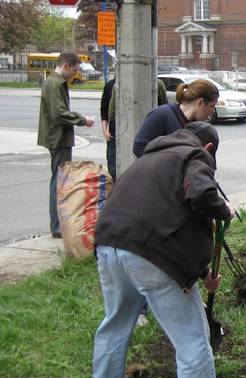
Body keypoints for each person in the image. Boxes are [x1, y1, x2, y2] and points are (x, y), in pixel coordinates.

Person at [89, 121, 236, 378]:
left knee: (115, 323)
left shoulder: (149, 158)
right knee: (192, 342)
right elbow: (201, 193)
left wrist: (202, 271)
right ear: (208, 148)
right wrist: (224, 209)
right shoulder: (194, 155)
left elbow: (172, 218)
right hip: (150, 254)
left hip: (109, 244)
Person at [37, 51, 95, 238]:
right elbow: (59, 114)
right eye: (75, 70)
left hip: (58, 137)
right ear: (66, 66)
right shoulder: (55, 84)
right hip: (58, 138)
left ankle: (58, 225)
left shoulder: (55, 83)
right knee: (59, 182)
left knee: (60, 180)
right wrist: (82, 119)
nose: (75, 74)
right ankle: (56, 227)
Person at [133, 79, 219, 157]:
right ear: (200, 103)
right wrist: (169, 165)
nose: (213, 111)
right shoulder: (162, 114)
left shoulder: (200, 128)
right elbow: (139, 147)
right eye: (212, 106)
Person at [107, 78, 170, 163]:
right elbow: (165, 109)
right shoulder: (156, 84)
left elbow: (112, 113)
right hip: (148, 140)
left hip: (129, 137)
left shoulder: (120, 84)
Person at [100, 77, 116, 180]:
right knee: (113, 169)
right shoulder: (110, 85)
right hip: (113, 134)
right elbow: (104, 110)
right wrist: (105, 131)